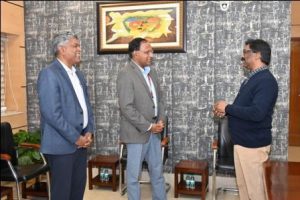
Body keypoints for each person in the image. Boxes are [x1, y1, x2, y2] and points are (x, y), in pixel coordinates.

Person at [213, 39, 278, 200]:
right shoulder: (251, 79)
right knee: (244, 190)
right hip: (243, 144)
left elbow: (257, 113)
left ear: (256, 55)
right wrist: (227, 112)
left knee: (255, 193)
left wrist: (227, 107)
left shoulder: (266, 81)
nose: (243, 58)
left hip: (253, 147)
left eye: (245, 53)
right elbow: (244, 108)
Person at [37, 32, 94, 200]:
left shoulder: (79, 74)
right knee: (62, 194)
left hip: (81, 143)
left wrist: (89, 130)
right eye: (75, 46)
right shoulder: (49, 74)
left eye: (79, 45)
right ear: (62, 49)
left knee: (77, 191)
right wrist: (75, 137)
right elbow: (52, 114)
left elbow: (86, 107)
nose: (79, 49)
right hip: (61, 145)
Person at [117, 37, 167, 200]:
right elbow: (126, 107)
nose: (151, 55)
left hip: (155, 132)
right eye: (147, 52)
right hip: (137, 133)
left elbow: (159, 99)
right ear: (135, 53)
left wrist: (160, 121)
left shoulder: (152, 71)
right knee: (133, 178)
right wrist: (148, 126)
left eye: (151, 51)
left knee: (157, 174)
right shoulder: (126, 74)